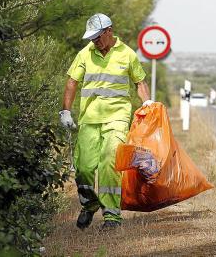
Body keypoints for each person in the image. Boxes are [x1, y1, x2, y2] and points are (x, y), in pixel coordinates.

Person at [59, 13, 152, 230]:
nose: (94, 41)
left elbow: (140, 82)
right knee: (83, 168)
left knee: (110, 162)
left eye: (97, 37)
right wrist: (65, 111)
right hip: (89, 119)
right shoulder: (84, 54)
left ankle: (111, 216)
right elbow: (72, 82)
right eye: (91, 38)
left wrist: (147, 103)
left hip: (117, 118)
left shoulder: (127, 55)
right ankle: (89, 204)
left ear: (109, 31)